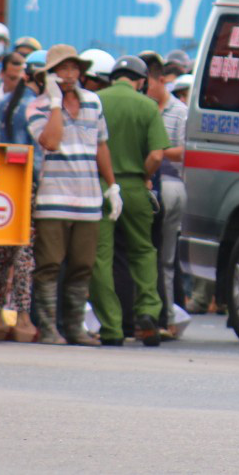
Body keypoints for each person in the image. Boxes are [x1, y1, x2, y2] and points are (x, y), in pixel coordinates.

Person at [27, 45, 120, 346]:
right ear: (49, 75)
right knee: (49, 265)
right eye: (61, 70)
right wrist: (55, 104)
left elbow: (101, 145)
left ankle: (75, 328)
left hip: (89, 199)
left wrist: (112, 186)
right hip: (53, 200)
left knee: (83, 266)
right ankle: (49, 327)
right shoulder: (37, 107)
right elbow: (51, 142)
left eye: (73, 69)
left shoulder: (93, 102)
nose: (68, 75)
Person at [89, 55, 170, 347]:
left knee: (101, 258)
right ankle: (148, 311)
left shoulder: (96, 100)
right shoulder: (147, 105)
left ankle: (111, 326)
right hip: (135, 187)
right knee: (143, 252)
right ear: (141, 81)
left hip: (100, 187)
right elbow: (157, 155)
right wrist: (144, 175)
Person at [0, 63, 41, 344]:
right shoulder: (39, 106)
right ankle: (22, 317)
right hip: (31, 183)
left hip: (4, 183)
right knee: (24, 254)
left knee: (2, 253)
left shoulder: (3, 103)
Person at [141, 51, 189, 331]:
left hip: (169, 184)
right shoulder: (142, 107)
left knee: (165, 259)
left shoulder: (179, 112)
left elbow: (185, 152)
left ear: (161, 80)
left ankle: (167, 316)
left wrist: (156, 151)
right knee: (144, 255)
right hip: (144, 183)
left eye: (148, 83)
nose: (146, 89)